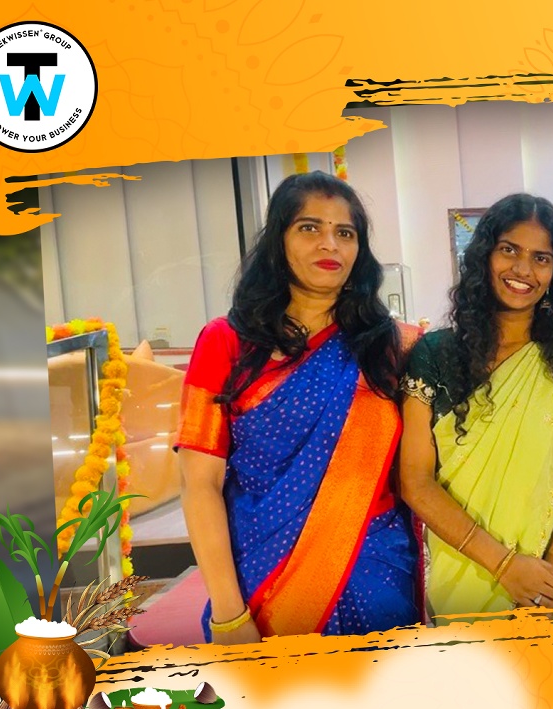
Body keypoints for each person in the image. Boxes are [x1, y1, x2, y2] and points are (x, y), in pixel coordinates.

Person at [177, 171, 423, 644]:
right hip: (259, 585)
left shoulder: (393, 348)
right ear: (279, 240)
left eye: (345, 233)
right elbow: (198, 483)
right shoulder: (225, 342)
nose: (329, 244)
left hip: (374, 571)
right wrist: (228, 613)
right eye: (310, 228)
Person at [398, 193, 553, 620]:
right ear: (485, 255)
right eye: (509, 250)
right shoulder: (435, 356)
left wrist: (546, 584)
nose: (523, 269)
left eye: (541, 258)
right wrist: (505, 567)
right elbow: (416, 482)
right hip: (469, 574)